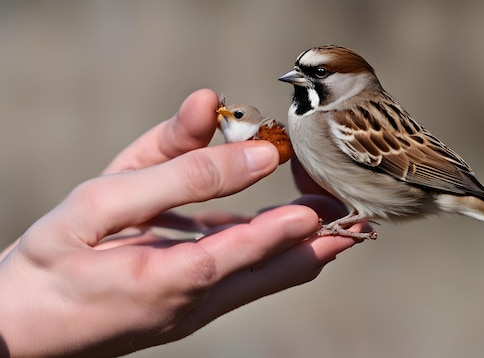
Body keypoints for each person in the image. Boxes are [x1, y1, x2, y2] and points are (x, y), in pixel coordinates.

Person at [0, 89, 367, 357]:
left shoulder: (269, 136)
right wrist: (25, 314)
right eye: (226, 116)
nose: (225, 120)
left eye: (235, 117)